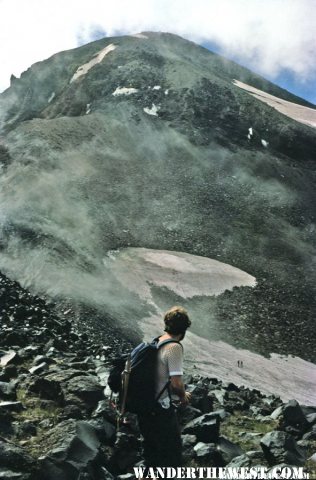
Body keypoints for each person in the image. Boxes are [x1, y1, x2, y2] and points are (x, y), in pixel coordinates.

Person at [137, 306, 191, 471]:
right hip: (160, 407)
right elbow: (176, 383)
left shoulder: (159, 340)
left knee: (151, 451)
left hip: (144, 404)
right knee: (171, 452)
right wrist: (183, 396)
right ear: (184, 328)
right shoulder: (174, 347)